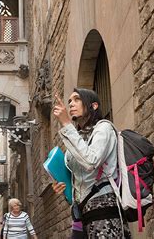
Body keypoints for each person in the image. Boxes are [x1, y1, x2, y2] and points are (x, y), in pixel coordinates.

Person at [52, 88, 130, 238]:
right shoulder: (77, 137)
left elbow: (91, 161)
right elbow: (79, 178)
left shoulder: (104, 128)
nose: (71, 104)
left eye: (77, 99)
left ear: (93, 106)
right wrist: (64, 188)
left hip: (104, 206)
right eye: (69, 102)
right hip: (81, 213)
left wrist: (66, 124)